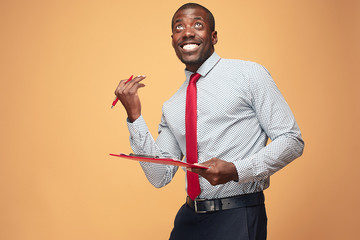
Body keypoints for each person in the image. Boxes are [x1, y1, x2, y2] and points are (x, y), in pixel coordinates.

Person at [114, 3, 304, 240]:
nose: (187, 32)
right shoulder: (172, 106)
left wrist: (236, 170)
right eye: (179, 27)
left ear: (213, 36)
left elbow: (291, 140)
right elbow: (159, 176)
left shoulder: (249, 75)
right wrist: (134, 116)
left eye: (198, 25)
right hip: (189, 219)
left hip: (238, 214)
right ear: (173, 40)